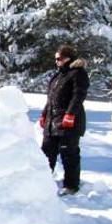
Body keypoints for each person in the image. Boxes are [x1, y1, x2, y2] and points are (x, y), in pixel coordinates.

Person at [39, 44, 89, 196]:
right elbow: (51, 99)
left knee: (69, 153)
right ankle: (42, 182)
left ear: (68, 58)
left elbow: (78, 95)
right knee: (46, 152)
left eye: (59, 58)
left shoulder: (77, 73)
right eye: (56, 59)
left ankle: (71, 185)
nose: (56, 61)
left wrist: (70, 114)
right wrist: (44, 114)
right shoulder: (57, 76)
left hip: (69, 123)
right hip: (52, 121)